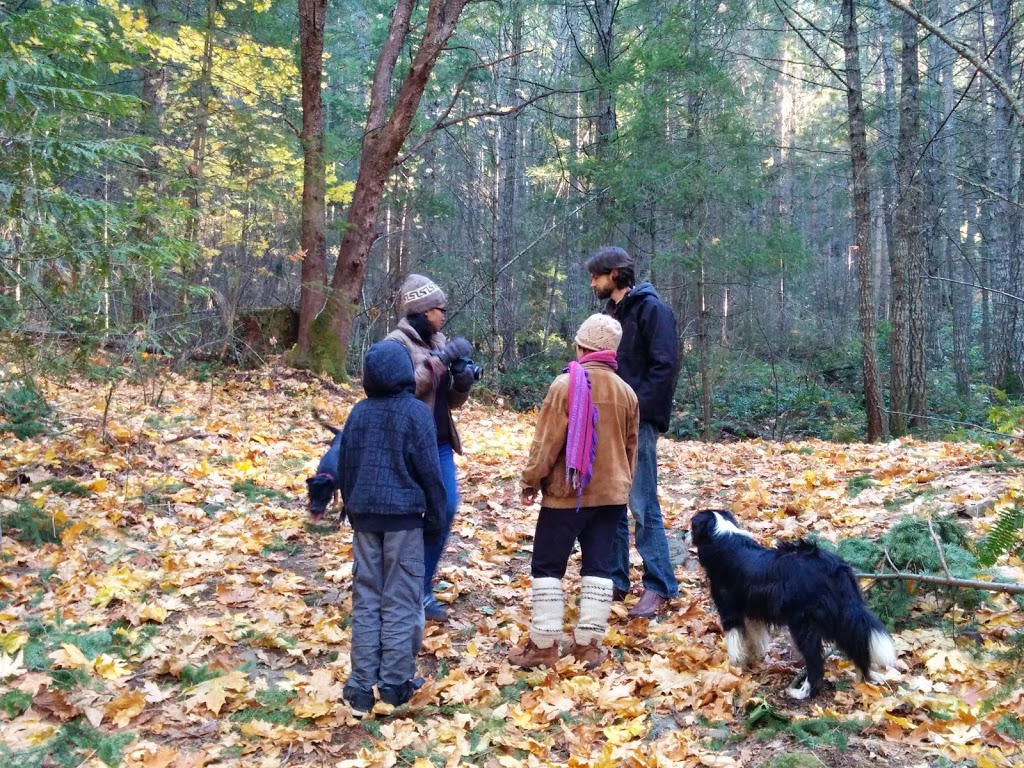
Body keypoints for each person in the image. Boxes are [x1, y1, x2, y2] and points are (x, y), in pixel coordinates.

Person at [508, 314, 639, 669]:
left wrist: (530, 480)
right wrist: (622, 488)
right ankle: (588, 646)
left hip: (568, 495)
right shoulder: (627, 392)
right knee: (599, 568)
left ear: (582, 347)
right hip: (611, 497)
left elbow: (547, 442)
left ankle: (544, 646)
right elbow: (631, 450)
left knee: (548, 566)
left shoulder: (565, 386)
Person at [338, 339, 447, 719]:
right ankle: (395, 683)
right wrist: (436, 516)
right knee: (400, 600)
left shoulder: (359, 413)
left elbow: (346, 467)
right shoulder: (415, 413)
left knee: (367, 598)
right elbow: (430, 473)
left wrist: (351, 509)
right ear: (404, 372)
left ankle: (359, 686)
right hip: (403, 521)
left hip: (365, 520)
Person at [585, 246, 681, 619]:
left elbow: (665, 366)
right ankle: (615, 580)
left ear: (615, 274)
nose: (593, 283)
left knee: (641, 503)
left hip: (638, 420)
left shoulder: (653, 310)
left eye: (597, 276)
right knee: (612, 500)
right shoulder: (612, 313)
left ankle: (659, 585)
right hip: (608, 419)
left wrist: (636, 409)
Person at [387, 274, 477, 622]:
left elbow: (449, 401)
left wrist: (462, 382)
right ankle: (401, 589)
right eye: (440, 309)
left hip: (439, 443)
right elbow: (402, 387)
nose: (444, 316)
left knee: (446, 508)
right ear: (422, 310)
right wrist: (440, 361)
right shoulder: (396, 344)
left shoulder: (437, 338)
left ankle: (422, 588)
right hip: (409, 446)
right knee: (408, 519)